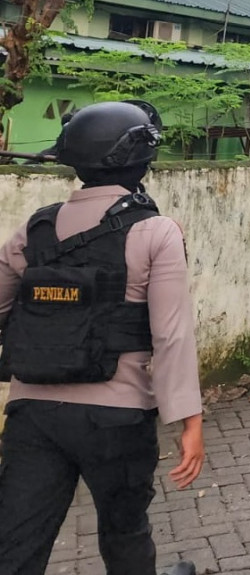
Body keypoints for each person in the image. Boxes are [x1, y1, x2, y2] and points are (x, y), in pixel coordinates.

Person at [0, 102, 202, 575]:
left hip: (33, 412)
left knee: (17, 542)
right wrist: (188, 420)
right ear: (140, 158)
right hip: (116, 417)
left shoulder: (35, 229)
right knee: (125, 533)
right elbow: (171, 335)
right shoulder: (156, 232)